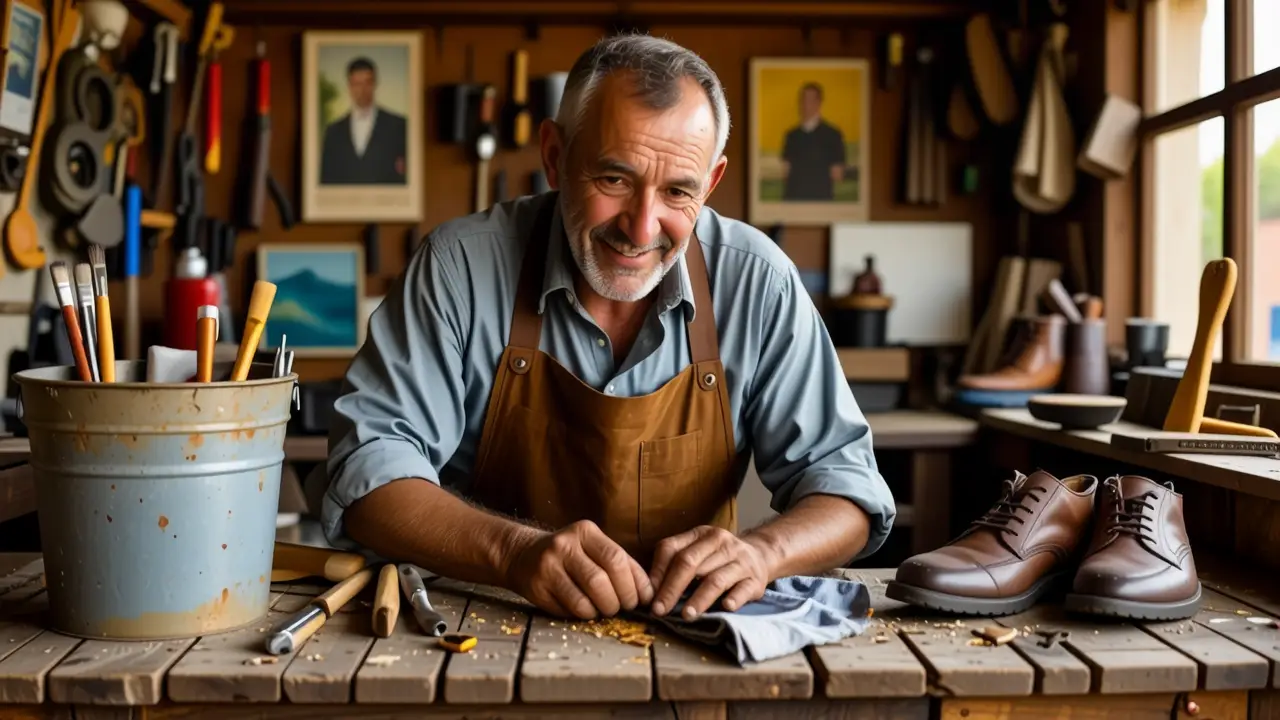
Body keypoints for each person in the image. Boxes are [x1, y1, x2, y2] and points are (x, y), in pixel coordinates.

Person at [324, 34, 894, 623]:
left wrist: (760, 552)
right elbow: (367, 468)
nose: (642, 227)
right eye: (614, 180)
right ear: (555, 155)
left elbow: (849, 489)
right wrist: (512, 551)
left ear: (712, 181)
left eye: (678, 191)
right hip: (480, 620)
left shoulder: (756, 281)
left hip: (688, 639)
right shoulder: (459, 267)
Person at [319, 56, 407, 185]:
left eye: (368, 83)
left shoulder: (399, 126)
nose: (363, 90)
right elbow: (325, 181)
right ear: (349, 86)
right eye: (357, 84)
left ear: (375, 84)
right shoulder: (333, 131)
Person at [780, 83, 847, 201]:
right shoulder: (791, 136)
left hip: (821, 202)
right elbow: (786, 173)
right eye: (803, 99)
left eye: (810, 100)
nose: (806, 104)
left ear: (819, 103)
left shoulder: (832, 135)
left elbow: (837, 175)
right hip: (793, 201)